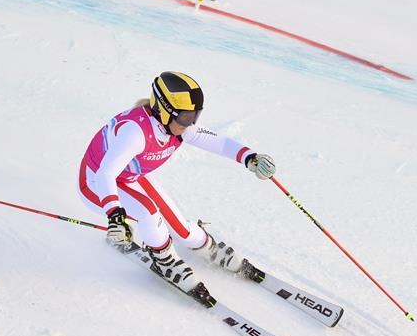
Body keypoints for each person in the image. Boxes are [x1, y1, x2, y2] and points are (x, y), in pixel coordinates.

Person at [77, 71, 276, 301]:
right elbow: (106, 174)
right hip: (94, 183)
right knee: (149, 214)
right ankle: (164, 260)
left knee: (181, 227)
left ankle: (207, 246)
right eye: (184, 117)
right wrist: (115, 216)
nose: (190, 124)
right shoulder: (135, 132)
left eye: (195, 115)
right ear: (163, 110)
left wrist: (250, 158)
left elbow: (219, 143)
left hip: (133, 175)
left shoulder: (179, 127)